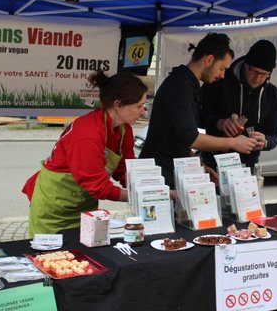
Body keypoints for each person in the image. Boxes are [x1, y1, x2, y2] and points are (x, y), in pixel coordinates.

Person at [22, 71, 148, 237]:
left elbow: (124, 170)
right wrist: (138, 196)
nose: (143, 112)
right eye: (139, 106)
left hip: (85, 206)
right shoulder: (88, 133)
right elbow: (97, 186)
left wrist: (148, 188)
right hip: (54, 207)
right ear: (118, 104)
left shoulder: (124, 130)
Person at [139, 32, 257, 191]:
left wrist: (198, 166)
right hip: (158, 176)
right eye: (222, 68)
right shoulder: (179, 87)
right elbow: (190, 138)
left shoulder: (190, 85)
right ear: (209, 60)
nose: (222, 75)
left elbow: (179, 139)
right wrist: (233, 142)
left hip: (171, 172)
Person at [200, 40, 277, 173]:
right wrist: (219, 123)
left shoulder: (273, 95)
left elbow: (275, 134)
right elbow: (197, 116)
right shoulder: (218, 80)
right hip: (212, 161)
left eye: (264, 74)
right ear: (245, 64)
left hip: (247, 166)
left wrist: (265, 141)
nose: (257, 78)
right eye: (254, 71)